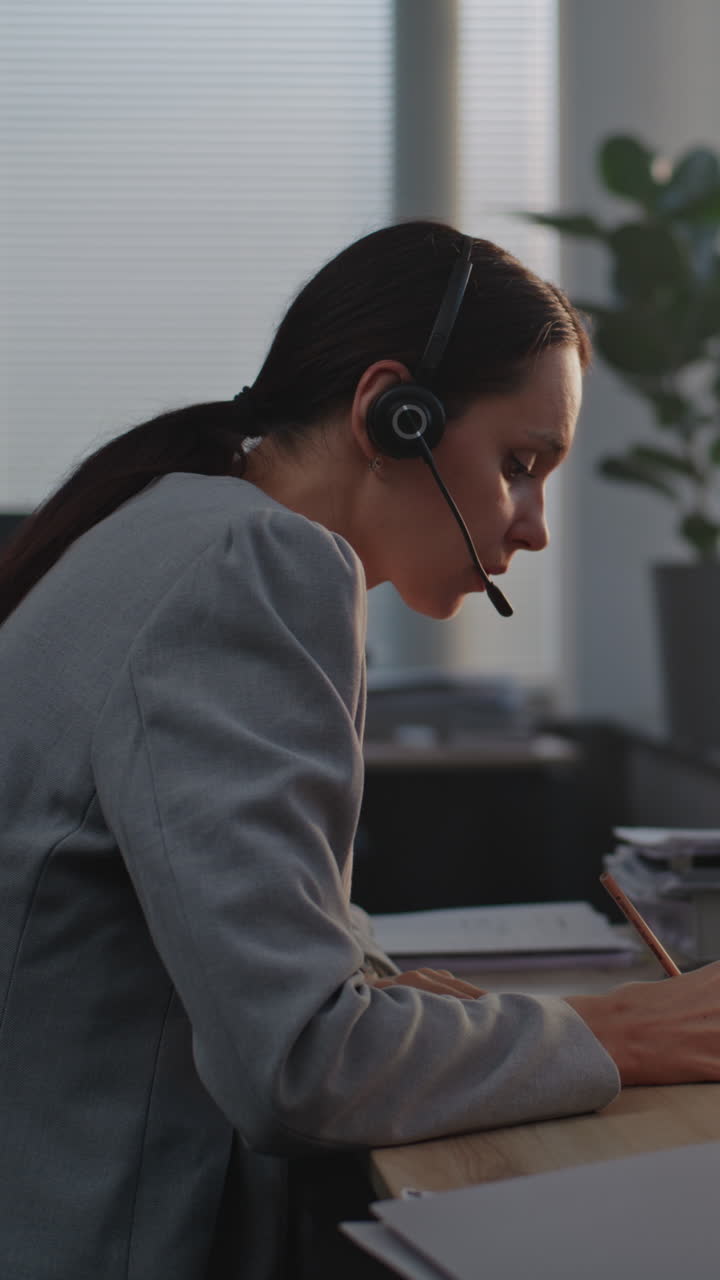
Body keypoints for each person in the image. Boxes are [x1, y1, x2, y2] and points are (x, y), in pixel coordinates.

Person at [1, 219, 719, 1280]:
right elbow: (298, 1064)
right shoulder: (254, 563)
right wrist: (620, 1033)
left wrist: (375, 985)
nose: (534, 528)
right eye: (521, 463)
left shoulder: (180, 523)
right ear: (397, 413)